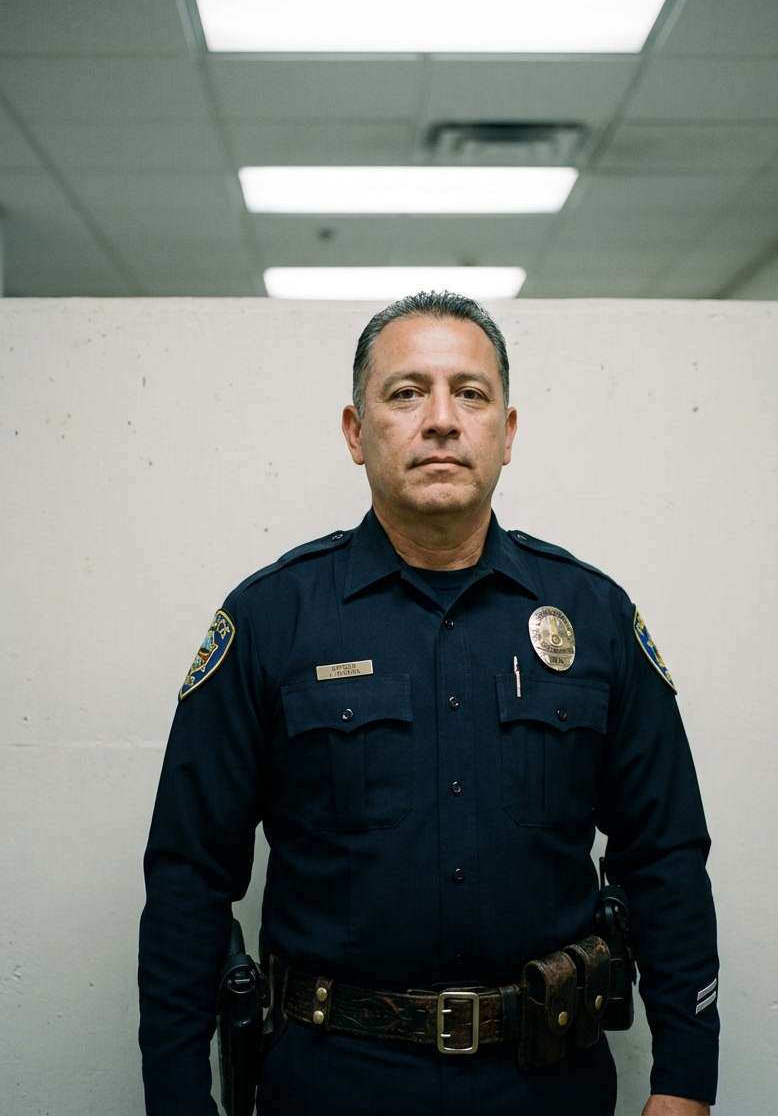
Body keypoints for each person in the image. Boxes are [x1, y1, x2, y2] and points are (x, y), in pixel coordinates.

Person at [138, 291, 719, 1116]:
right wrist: (177, 1099)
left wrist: (686, 1080)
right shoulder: (273, 619)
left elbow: (663, 854)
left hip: (547, 1084)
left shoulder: (592, 616)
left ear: (507, 434)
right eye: (407, 392)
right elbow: (188, 877)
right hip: (333, 1084)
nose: (441, 420)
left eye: (470, 393)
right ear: (355, 431)